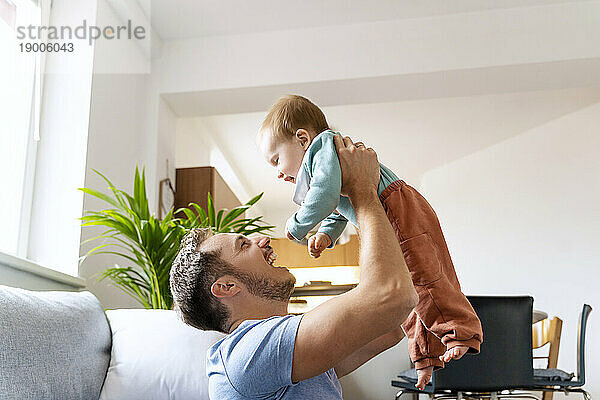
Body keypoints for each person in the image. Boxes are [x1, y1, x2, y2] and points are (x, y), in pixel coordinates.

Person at [257, 95, 483, 388]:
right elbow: (340, 204)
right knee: (410, 292)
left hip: (397, 206)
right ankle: (426, 357)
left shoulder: (322, 147)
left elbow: (325, 195)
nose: (277, 172)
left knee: (425, 275)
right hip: (392, 210)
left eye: (276, 159)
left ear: (302, 139)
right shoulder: (328, 163)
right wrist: (327, 234)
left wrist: (298, 226)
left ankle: (461, 330)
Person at [170, 136, 418, 399]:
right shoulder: (246, 355)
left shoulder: (285, 355)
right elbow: (391, 297)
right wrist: (362, 190)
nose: (263, 240)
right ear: (227, 286)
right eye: (244, 245)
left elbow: (389, 325)